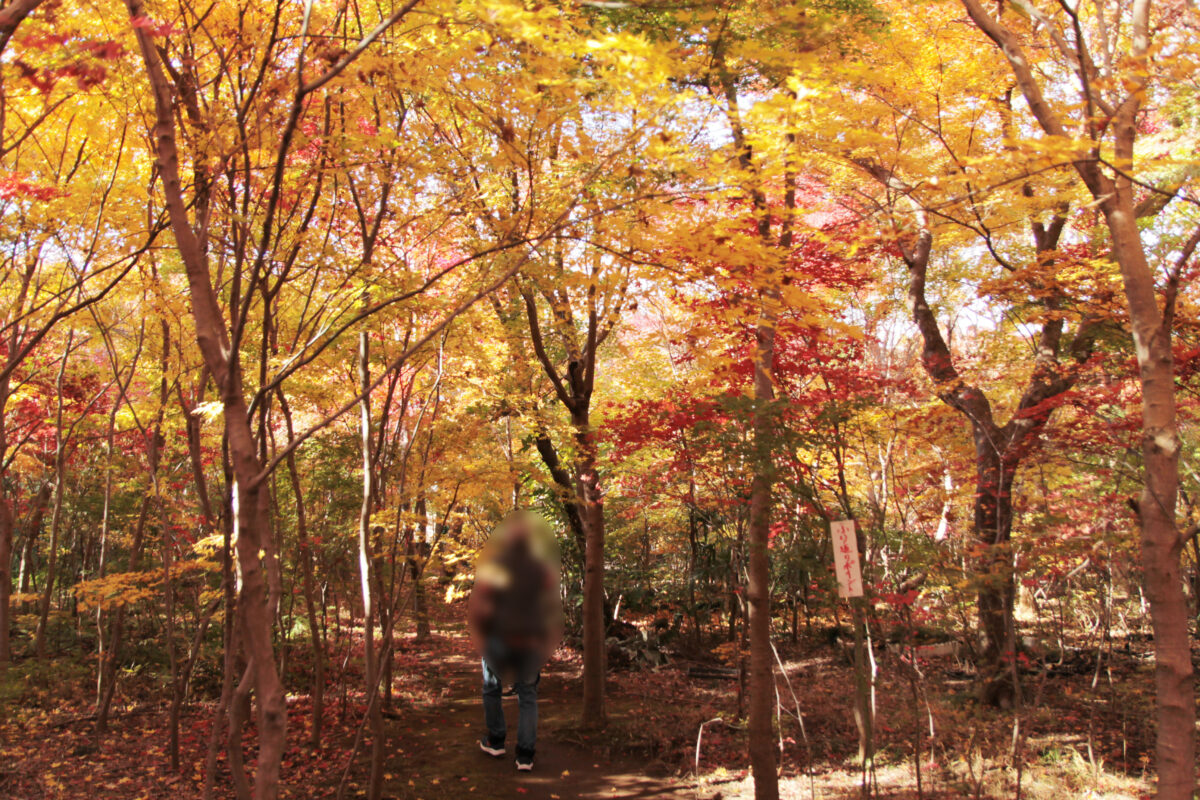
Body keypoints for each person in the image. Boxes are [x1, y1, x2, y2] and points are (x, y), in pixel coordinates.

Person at [467, 512, 562, 771]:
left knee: (491, 688)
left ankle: (496, 741)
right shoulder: (540, 569)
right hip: (530, 638)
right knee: (528, 695)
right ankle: (525, 756)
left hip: (499, 637)